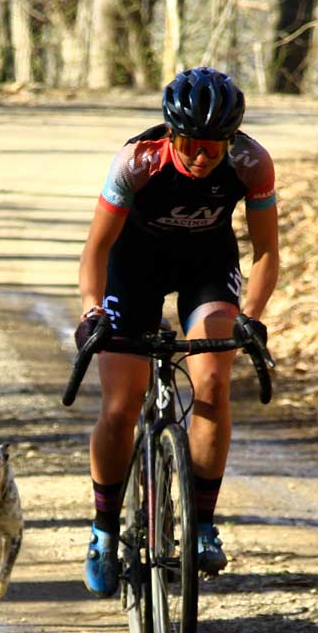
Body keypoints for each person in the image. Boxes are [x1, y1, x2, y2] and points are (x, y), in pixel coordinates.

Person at [74, 67, 280, 597]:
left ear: (230, 140)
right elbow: (97, 247)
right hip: (132, 268)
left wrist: (251, 316)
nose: (201, 156)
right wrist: (92, 310)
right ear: (171, 134)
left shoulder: (251, 164)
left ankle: (203, 522)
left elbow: (266, 253)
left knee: (211, 385)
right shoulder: (137, 161)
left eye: (214, 145)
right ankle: (102, 530)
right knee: (120, 405)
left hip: (205, 268)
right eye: (191, 143)